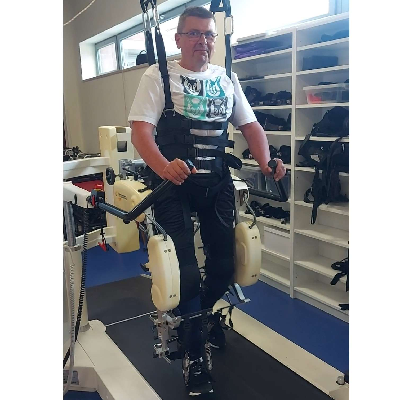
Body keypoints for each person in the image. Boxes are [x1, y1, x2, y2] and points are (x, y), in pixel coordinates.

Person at [128, 6, 286, 396]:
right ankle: (195, 353)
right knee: (185, 271)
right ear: (179, 39)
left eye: (209, 34)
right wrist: (163, 167)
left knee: (224, 265)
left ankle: (198, 317)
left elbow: (250, 125)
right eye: (194, 33)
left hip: (216, 182)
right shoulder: (159, 76)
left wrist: (266, 161)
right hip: (173, 185)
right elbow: (141, 132)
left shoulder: (225, 77)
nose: (203, 41)